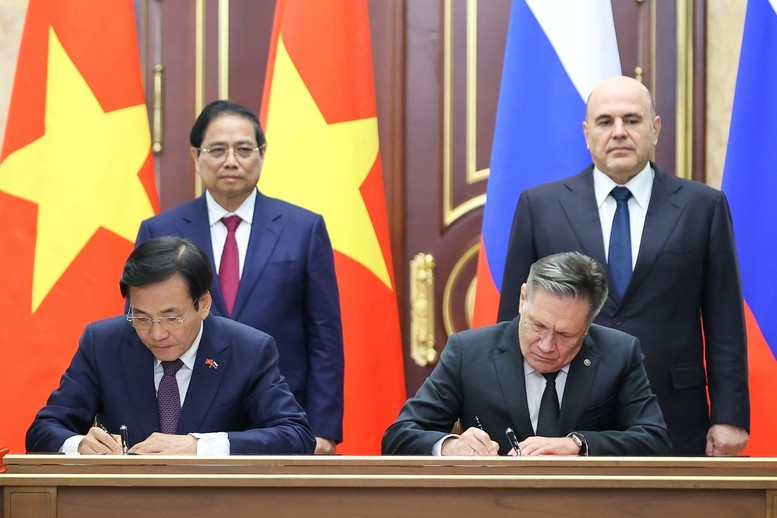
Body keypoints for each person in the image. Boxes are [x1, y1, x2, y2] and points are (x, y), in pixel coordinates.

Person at [497, 76, 749, 456]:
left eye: (631, 120)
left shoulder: (703, 207)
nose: (618, 132)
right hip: (563, 406)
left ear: (655, 129)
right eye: (605, 121)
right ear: (586, 133)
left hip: (673, 411)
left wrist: (730, 415)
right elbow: (513, 321)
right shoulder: (541, 206)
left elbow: (724, 320)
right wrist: (504, 411)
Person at [135, 100, 344, 454]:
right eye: (217, 149)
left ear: (261, 153)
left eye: (244, 149)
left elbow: (324, 334)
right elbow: (141, 325)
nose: (231, 160)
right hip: (185, 414)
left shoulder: (304, 229)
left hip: (279, 414)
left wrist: (323, 429)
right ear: (195, 156)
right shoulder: (161, 230)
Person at [26, 237, 315, 455]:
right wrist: (79, 445)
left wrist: (199, 446)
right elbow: (42, 431)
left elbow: (296, 435)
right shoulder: (103, 343)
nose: (156, 333)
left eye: (171, 317)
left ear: (203, 304)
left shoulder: (249, 350)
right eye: (141, 317)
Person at [383, 252, 671, 456]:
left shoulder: (619, 353)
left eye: (565, 335)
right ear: (522, 298)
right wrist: (449, 446)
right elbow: (399, 436)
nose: (546, 345)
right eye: (538, 325)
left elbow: (655, 440)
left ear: (589, 324)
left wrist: (579, 444)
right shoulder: (468, 352)